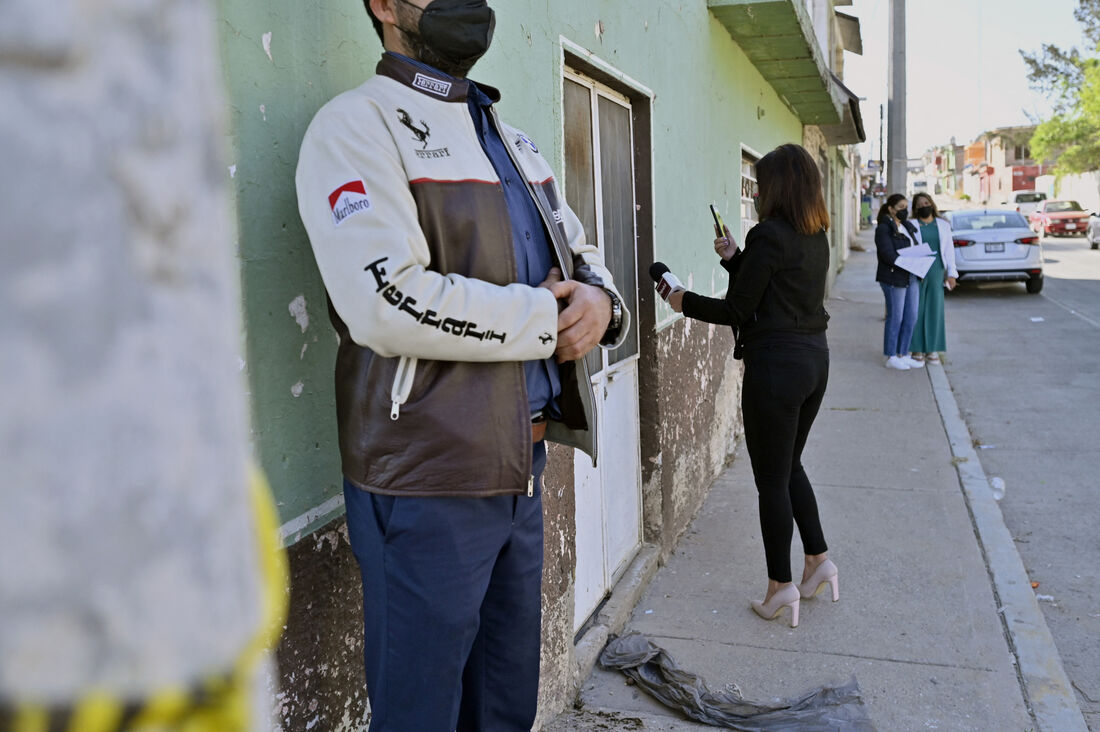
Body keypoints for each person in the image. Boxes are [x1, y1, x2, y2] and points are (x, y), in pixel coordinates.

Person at [294, 1, 629, 729]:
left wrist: (602, 305)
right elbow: (384, 299)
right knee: (421, 714)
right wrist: (547, 321)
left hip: (522, 471)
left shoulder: (510, 139)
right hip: (424, 480)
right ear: (384, 7)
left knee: (503, 706)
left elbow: (580, 253)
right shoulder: (356, 127)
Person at [668, 144, 838, 629]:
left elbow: (738, 310)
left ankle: (780, 588)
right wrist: (734, 257)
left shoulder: (770, 234)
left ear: (777, 187)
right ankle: (817, 560)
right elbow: (773, 289)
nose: (757, 190)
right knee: (790, 467)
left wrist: (681, 299)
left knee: (771, 480)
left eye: (761, 182)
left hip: (776, 369)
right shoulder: (815, 234)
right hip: (814, 362)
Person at [874, 193, 924, 370]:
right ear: (891, 209)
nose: (905, 211)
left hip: (911, 275)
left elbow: (915, 246)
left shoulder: (907, 226)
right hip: (894, 277)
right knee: (896, 316)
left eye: (906, 207)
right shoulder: (883, 228)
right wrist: (908, 261)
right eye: (901, 207)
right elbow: (887, 254)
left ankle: (903, 353)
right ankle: (891, 355)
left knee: (911, 316)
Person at [908, 193, 957, 363]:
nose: (924, 206)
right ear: (915, 208)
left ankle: (932, 349)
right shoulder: (910, 225)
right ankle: (917, 349)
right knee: (917, 309)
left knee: (935, 309)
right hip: (918, 271)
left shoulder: (943, 225)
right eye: (920, 204)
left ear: (932, 204)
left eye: (927, 202)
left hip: (937, 270)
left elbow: (949, 251)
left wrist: (952, 274)